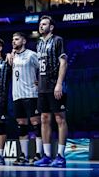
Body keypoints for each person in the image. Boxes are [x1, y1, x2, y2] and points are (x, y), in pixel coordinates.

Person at [34, 16, 68, 168]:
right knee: (44, 119)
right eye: (40, 24)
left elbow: (63, 62)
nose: (41, 26)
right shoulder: (38, 43)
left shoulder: (58, 40)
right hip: (42, 87)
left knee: (60, 119)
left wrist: (59, 84)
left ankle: (60, 156)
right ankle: (47, 155)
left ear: (51, 27)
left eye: (44, 24)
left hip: (55, 85)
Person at [7, 32, 42, 165]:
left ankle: (39, 153)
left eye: (16, 39)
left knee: (36, 125)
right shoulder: (12, 56)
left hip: (31, 94)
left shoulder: (32, 54)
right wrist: (9, 54)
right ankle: (24, 155)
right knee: (21, 126)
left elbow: (43, 68)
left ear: (24, 41)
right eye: (12, 39)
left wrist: (40, 81)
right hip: (17, 95)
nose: (14, 41)